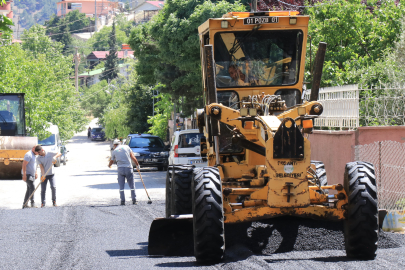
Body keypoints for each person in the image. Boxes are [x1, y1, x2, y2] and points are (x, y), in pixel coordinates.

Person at [108, 139, 140, 205]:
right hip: (129, 168)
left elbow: (112, 161)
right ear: (120, 143)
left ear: (114, 145)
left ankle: (123, 201)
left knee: (121, 186)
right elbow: (133, 157)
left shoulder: (114, 151)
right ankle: (134, 200)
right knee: (132, 185)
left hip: (120, 169)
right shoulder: (127, 147)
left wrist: (109, 165)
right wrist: (137, 165)